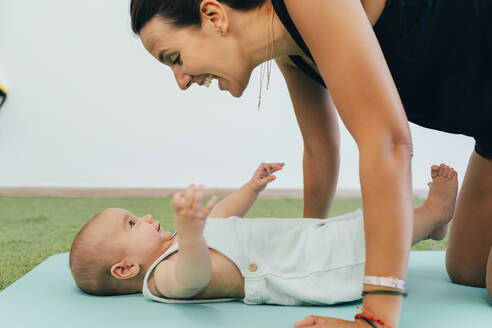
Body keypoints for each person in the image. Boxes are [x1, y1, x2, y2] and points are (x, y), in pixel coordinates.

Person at [128, 1, 492, 326]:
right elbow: (321, 150)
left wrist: (376, 318)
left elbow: (388, 144)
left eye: (174, 58)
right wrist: (309, 255)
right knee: (466, 271)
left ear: (213, 15)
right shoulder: (291, 51)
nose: (181, 81)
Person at [70, 163, 458, 319]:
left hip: (297, 244)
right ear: (125, 269)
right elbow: (192, 278)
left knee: (358, 226)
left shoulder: (175, 242)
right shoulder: (162, 277)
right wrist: (190, 238)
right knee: (365, 239)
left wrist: (250, 187)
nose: (148, 218)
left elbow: (225, 213)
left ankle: (426, 227)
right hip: (303, 270)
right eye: (132, 223)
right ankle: (433, 215)